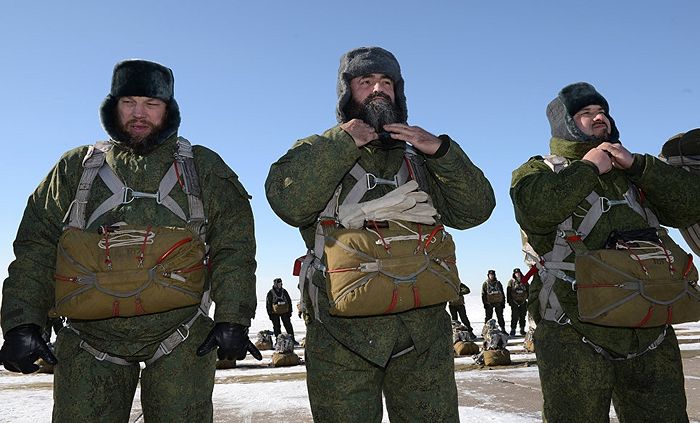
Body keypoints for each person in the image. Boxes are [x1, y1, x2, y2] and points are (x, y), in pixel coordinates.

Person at [0, 59, 260, 421]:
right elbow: (36, 246)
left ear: (168, 109)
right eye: (128, 103)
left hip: (180, 337)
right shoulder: (75, 168)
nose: (139, 114)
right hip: (89, 340)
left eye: (151, 104)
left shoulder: (203, 167)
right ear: (112, 107)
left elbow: (234, 245)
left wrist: (233, 316)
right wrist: (22, 322)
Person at [265, 46, 495, 422]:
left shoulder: (419, 158)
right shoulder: (319, 150)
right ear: (347, 93)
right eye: (365, 82)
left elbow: (476, 211)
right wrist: (342, 143)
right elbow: (288, 202)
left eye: (386, 83)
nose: (377, 90)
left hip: (423, 337)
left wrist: (440, 151)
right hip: (342, 338)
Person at [510, 82, 700, 422]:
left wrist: (641, 166)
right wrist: (588, 168)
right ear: (565, 124)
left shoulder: (634, 173)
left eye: (602, 112)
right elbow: (536, 210)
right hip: (574, 332)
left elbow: (689, 207)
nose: (599, 118)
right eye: (585, 113)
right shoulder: (539, 171)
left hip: (650, 329)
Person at [266, 278, 296, 344]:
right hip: (274, 313)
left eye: (281, 283)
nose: (280, 285)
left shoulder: (284, 291)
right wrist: (270, 314)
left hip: (285, 311)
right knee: (276, 327)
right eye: (279, 283)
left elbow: (289, 301)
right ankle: (278, 341)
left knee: (288, 325)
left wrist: (290, 311)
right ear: (275, 284)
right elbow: (268, 304)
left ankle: (292, 339)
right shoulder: (270, 293)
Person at [506, 268, 528, 336]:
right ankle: (513, 330)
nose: (517, 274)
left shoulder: (524, 281)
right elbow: (508, 292)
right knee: (514, 316)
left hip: (523, 302)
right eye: (516, 273)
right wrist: (509, 301)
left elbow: (528, 290)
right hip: (514, 302)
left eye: (518, 273)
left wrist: (528, 299)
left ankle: (522, 329)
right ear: (514, 274)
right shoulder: (511, 282)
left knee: (522, 316)